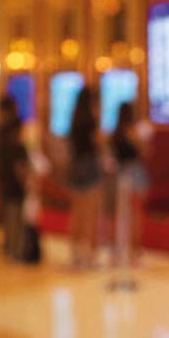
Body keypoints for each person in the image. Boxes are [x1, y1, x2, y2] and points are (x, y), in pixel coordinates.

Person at [67, 87, 102, 269]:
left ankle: (74, 253)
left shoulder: (74, 121)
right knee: (90, 213)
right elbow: (99, 143)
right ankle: (89, 255)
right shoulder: (91, 121)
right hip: (89, 167)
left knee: (77, 212)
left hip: (76, 166)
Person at [111, 102, 150, 264]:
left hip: (121, 174)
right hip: (135, 174)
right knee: (135, 214)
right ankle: (134, 250)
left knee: (121, 214)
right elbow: (145, 152)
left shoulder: (115, 133)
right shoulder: (134, 131)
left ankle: (119, 249)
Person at [0, 95, 29, 260]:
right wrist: (26, 181)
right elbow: (20, 166)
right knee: (15, 214)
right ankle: (15, 247)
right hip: (14, 182)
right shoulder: (18, 146)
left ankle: (9, 244)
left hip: (2, 177)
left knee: (7, 212)